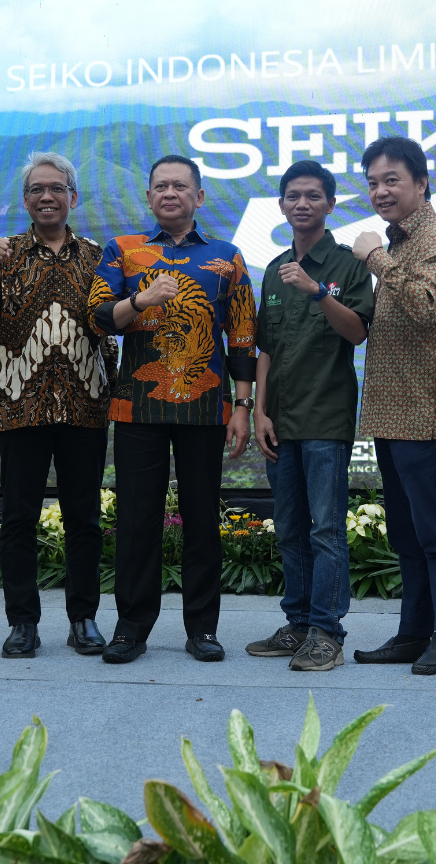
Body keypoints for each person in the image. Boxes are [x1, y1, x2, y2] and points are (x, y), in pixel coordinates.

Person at [88, 155, 256, 664]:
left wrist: (243, 406)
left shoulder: (227, 257)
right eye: (160, 186)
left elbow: (242, 337)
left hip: (205, 410)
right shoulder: (123, 250)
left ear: (198, 197)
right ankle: (130, 628)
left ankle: (202, 628)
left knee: (202, 520)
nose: (169, 193)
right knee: (137, 521)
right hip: (137, 410)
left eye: (180, 186)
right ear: (148, 197)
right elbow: (97, 317)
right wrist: (142, 301)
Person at [0, 152, 117, 659]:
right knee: (19, 519)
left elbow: (111, 327)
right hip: (19, 408)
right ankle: (22, 623)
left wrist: (114, 385)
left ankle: (83, 619)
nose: (47, 196)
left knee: (84, 519)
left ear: (73, 197)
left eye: (56, 188)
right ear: (25, 201)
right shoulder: (1, 253)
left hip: (85, 407)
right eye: (36, 190)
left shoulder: (98, 256)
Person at [248, 160, 374, 671]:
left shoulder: (348, 265)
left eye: (313, 196)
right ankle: (297, 625)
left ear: (330, 204)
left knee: (326, 531)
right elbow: (265, 349)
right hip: (280, 421)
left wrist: (318, 291)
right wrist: (259, 411)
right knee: (290, 529)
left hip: (325, 418)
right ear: (281, 205)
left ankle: (327, 633)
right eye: (293, 196)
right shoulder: (275, 269)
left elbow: (357, 332)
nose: (303, 203)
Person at [350, 137, 436, 675]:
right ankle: (413, 633)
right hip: (391, 413)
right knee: (407, 533)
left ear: (421, 183)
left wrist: (373, 257)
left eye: (391, 180)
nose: (380, 191)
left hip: (424, 413)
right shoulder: (401, 240)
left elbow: (424, 306)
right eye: (373, 182)